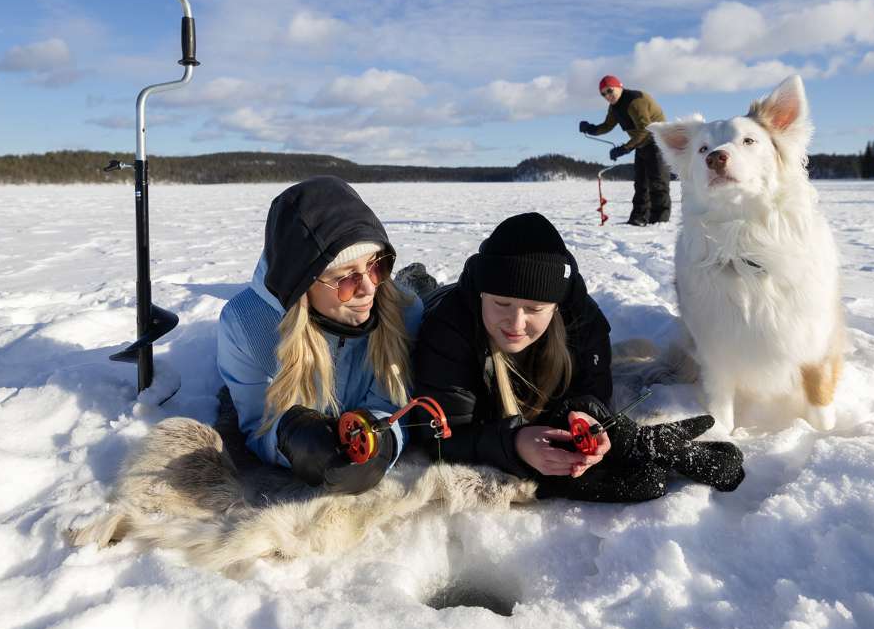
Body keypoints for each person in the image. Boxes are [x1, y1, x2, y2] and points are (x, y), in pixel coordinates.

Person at [410, 212, 744, 502]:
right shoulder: (447, 329)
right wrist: (513, 443)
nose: (515, 323)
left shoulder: (583, 322)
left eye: (534, 309)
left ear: (556, 307)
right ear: (483, 293)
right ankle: (418, 278)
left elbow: (591, 392)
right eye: (501, 304)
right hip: (437, 302)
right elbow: (439, 436)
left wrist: (585, 420)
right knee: (417, 297)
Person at [217, 176, 422, 494]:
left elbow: (393, 400)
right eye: (346, 278)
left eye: (376, 265)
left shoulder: (403, 311)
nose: (369, 288)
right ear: (301, 284)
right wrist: (291, 440)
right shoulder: (244, 326)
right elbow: (258, 421)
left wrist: (382, 444)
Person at [580, 75, 671, 226]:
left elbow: (646, 129)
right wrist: (591, 129)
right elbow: (607, 126)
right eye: (603, 94)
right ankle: (638, 218)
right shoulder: (615, 107)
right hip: (641, 144)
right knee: (641, 185)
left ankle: (659, 223)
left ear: (619, 86)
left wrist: (625, 148)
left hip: (658, 143)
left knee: (658, 184)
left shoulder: (635, 101)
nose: (607, 96)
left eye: (609, 91)